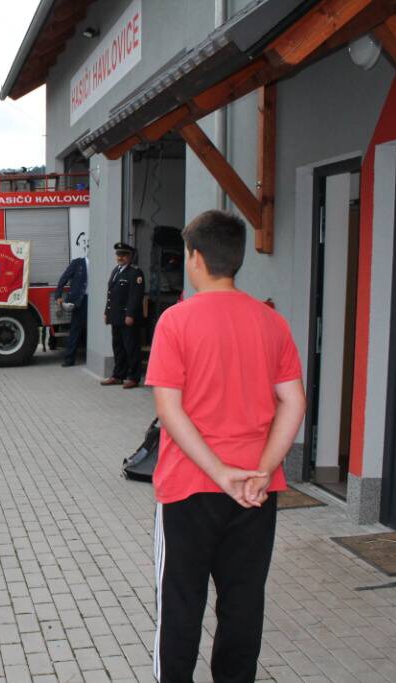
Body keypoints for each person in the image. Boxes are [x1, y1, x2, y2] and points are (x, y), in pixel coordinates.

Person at [145, 210, 305, 683]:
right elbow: (293, 403)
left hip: (188, 489)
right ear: (236, 260)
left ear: (194, 258)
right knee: (242, 603)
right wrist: (260, 470)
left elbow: (170, 412)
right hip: (255, 493)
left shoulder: (175, 322)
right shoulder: (271, 322)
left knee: (180, 603)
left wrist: (219, 473)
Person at [102, 242, 145, 388]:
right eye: (118, 255)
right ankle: (118, 375)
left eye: (124, 255)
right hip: (116, 316)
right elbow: (111, 295)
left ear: (130, 256)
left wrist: (130, 314)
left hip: (128, 317)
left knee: (131, 347)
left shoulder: (135, 272)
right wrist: (106, 312)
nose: (120, 258)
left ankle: (133, 377)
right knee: (118, 347)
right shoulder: (116, 271)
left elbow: (135, 296)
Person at [55, 255, 88, 367]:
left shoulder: (100, 264)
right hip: (80, 301)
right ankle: (69, 359)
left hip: (96, 300)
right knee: (75, 329)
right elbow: (64, 278)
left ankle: (92, 357)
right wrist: (58, 295)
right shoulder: (78, 263)